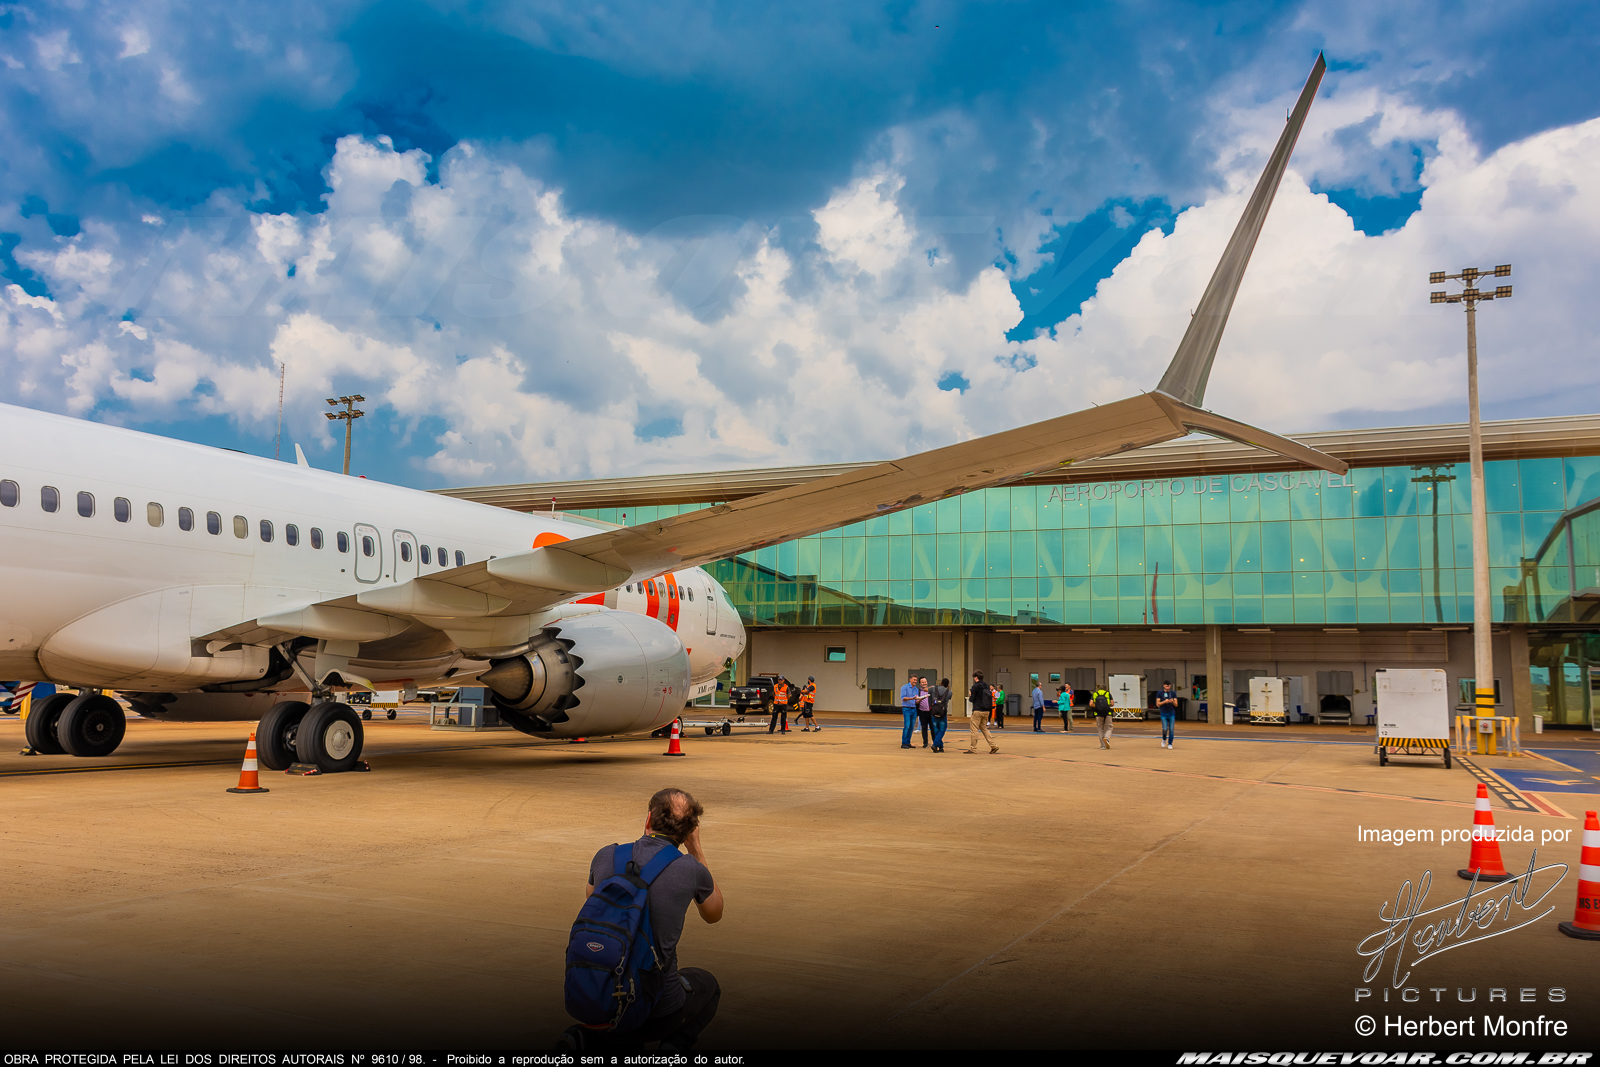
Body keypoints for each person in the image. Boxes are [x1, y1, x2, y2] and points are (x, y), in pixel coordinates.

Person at [578, 788, 724, 1050]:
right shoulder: (691, 869)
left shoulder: (606, 855)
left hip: (595, 1000)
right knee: (709, 985)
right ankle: (672, 1047)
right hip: (660, 1012)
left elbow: (591, 899)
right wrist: (696, 849)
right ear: (689, 831)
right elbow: (714, 913)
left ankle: (590, 1039)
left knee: (619, 1029)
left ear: (648, 819)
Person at [965, 671, 999, 754]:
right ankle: (993, 745)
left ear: (976, 677)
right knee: (984, 728)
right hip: (986, 710)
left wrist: (970, 694)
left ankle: (973, 748)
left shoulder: (975, 686)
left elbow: (971, 700)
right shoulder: (987, 686)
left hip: (977, 710)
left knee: (974, 729)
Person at [899, 670, 921, 749]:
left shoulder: (916, 689)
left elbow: (916, 701)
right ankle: (904, 743)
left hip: (913, 708)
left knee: (912, 727)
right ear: (910, 679)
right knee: (907, 726)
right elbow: (903, 698)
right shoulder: (904, 687)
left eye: (916, 680)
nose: (915, 681)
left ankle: (908, 742)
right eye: (914, 680)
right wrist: (912, 698)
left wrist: (921, 699)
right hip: (906, 708)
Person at [930, 677, 952, 752]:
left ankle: (940, 746)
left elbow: (926, 690)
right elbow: (948, 699)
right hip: (942, 713)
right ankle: (936, 744)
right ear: (948, 685)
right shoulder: (949, 692)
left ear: (941, 683)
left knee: (936, 730)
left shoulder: (933, 689)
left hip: (934, 712)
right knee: (942, 729)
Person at [1090, 681, 1114, 749]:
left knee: (1100, 729)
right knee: (1109, 727)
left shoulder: (1095, 694)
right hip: (1108, 713)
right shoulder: (1108, 694)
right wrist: (1106, 706)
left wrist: (1097, 706)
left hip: (1098, 713)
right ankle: (1107, 738)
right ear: (1105, 689)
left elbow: (1091, 704)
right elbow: (1112, 703)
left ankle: (1102, 745)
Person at [1156, 681, 1179, 749]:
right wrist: (1164, 702)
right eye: (1166, 686)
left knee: (1171, 729)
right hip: (1163, 713)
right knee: (1165, 728)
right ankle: (1164, 739)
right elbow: (1158, 704)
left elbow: (1176, 704)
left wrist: (1172, 701)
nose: (1167, 687)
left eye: (1169, 686)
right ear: (1164, 686)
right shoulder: (1160, 693)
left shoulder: (1173, 693)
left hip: (1171, 713)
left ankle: (1170, 743)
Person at [916, 677, 933, 748]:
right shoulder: (918, 691)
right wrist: (921, 698)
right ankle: (925, 742)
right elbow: (916, 702)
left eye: (925, 682)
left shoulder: (931, 690)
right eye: (922, 682)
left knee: (933, 728)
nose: (924, 683)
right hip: (922, 712)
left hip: (931, 712)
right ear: (920, 683)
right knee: (924, 728)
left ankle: (935, 742)